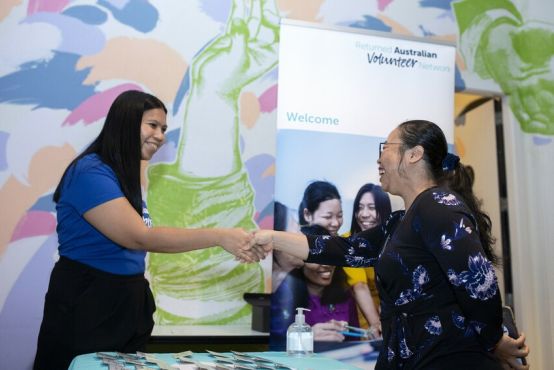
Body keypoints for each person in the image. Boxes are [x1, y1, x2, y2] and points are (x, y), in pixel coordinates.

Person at [254, 120, 529, 369]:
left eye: (386, 147)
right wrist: (272, 238)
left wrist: (493, 339)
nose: (379, 158)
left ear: (413, 154)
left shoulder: (439, 207)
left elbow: (480, 287)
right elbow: (343, 249)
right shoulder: (399, 222)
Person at [33, 90, 263, 370]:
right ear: (125, 122)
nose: (160, 136)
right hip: (88, 298)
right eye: (152, 125)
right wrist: (219, 236)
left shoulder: (123, 176)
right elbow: (139, 237)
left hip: (128, 298)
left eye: (164, 128)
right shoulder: (90, 172)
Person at [343, 183, 392, 337]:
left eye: (371, 207)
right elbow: (360, 286)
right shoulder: (348, 241)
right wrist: (377, 326)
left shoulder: (393, 241)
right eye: (360, 207)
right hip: (361, 327)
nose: (364, 214)